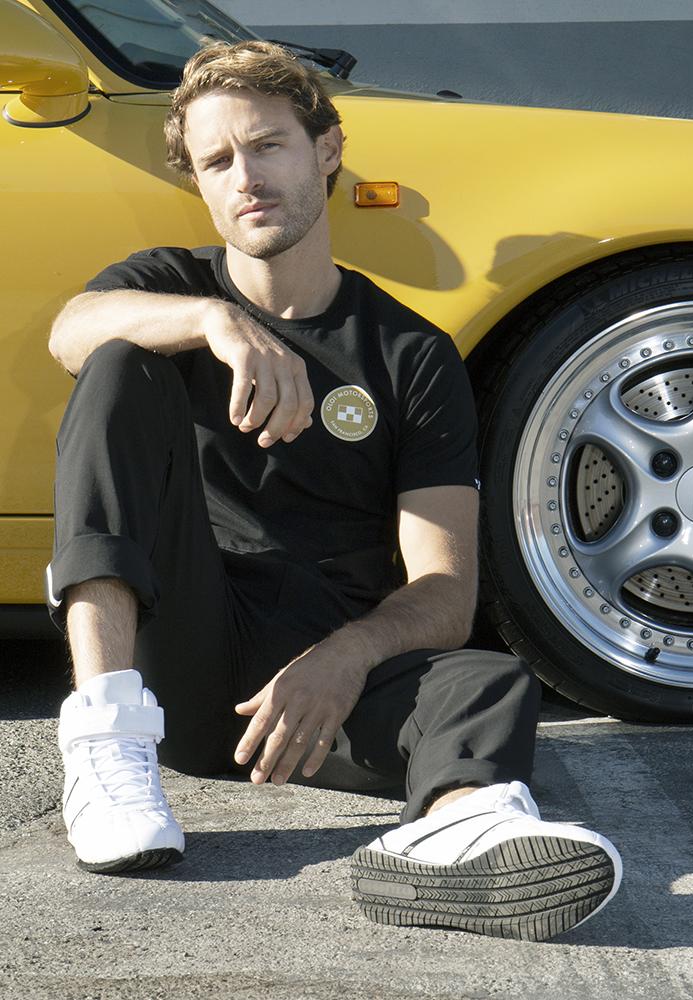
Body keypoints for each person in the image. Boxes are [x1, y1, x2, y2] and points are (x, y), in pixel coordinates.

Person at [44, 40, 621, 942]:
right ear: (197, 183)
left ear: (327, 148)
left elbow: (444, 589)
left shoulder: (410, 353)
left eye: (268, 145)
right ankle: (106, 746)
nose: (246, 176)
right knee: (120, 365)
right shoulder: (168, 289)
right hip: (183, 647)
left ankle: (458, 832)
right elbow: (73, 333)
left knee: (493, 681)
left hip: (318, 691)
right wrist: (216, 323)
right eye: (217, 161)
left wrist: (345, 658)